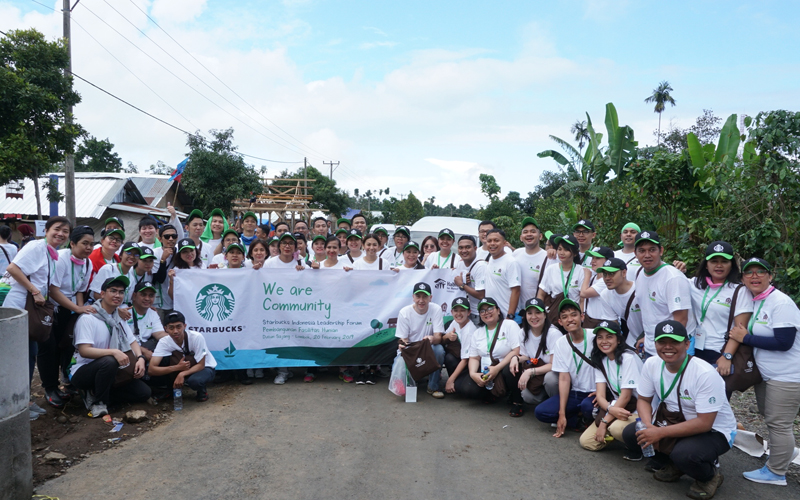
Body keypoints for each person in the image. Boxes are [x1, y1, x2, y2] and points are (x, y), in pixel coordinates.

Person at [623, 320, 735, 500]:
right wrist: (647, 427)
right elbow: (643, 400)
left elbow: (705, 423)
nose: (668, 347)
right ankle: (675, 464)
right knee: (632, 434)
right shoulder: (651, 364)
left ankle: (709, 476)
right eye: (662, 342)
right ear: (655, 344)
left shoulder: (704, 373)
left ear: (687, 344)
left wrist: (659, 433)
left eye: (674, 342)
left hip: (713, 430)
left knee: (686, 454)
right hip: (676, 420)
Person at [728, 258, 800, 486]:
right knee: (772, 420)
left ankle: (776, 472)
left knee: (780, 424)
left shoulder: (781, 303)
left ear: (771, 276)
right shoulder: (757, 301)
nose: (754, 276)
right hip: (768, 375)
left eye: (761, 272)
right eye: (748, 273)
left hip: (787, 376)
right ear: (742, 279)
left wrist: (745, 338)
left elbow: (784, 341)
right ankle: (778, 459)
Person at [4, 216, 69, 420]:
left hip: (30, 310)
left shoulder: (53, 255)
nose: (61, 234)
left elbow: (49, 286)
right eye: (57, 229)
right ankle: (13, 405)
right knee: (17, 357)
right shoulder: (36, 246)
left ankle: (23, 400)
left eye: (65, 231)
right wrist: (34, 290)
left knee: (30, 354)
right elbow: (12, 268)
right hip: (18, 307)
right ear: (46, 229)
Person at [68, 276, 151, 418]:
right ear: (102, 294)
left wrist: (141, 358)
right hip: (83, 370)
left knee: (143, 393)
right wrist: (113, 351)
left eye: (121, 292)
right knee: (109, 360)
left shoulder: (118, 318)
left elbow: (132, 342)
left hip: (112, 370)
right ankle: (98, 403)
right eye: (113, 291)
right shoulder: (88, 318)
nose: (117, 295)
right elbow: (84, 350)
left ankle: (96, 393)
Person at [39, 225, 97, 408]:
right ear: (72, 243)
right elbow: (53, 290)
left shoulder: (87, 262)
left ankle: (67, 383)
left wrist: (80, 312)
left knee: (68, 347)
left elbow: (80, 290)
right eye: (84, 243)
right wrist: (77, 309)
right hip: (53, 308)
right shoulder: (61, 258)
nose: (88, 248)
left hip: (70, 309)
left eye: (91, 244)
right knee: (50, 350)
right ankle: (50, 388)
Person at [534, 299, 596, 436]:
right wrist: (561, 413)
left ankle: (584, 417)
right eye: (564, 317)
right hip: (576, 393)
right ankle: (578, 420)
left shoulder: (595, 337)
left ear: (582, 317)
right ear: (560, 322)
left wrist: (603, 392)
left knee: (589, 407)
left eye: (574, 315)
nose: (570, 319)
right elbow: (563, 378)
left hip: (596, 393)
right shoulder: (561, 343)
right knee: (541, 412)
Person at [688, 242, 753, 370]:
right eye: (714, 261)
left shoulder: (740, 291)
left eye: (724, 261)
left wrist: (727, 356)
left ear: (731, 265)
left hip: (719, 351)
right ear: (706, 264)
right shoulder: (693, 284)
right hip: (694, 349)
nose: (719, 265)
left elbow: (739, 329)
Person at [579, 321, 642, 452]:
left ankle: (636, 446)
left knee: (616, 428)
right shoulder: (600, 359)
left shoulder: (628, 357)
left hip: (636, 409)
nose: (604, 341)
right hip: (617, 408)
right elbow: (600, 395)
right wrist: (610, 409)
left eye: (609, 337)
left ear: (618, 340)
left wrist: (604, 422)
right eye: (600, 337)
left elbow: (626, 396)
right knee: (586, 442)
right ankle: (616, 433)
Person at [634, 231, 695, 358]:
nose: (647, 255)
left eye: (652, 250)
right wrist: (647, 338)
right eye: (642, 250)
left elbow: (681, 320)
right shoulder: (640, 273)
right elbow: (650, 312)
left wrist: (668, 351)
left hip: (674, 348)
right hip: (652, 347)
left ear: (661, 251)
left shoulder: (673, 278)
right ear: (635, 253)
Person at [468, 297, 523, 414]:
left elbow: (516, 350)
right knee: (468, 390)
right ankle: (493, 393)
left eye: (490, 308)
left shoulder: (509, 325)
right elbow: (474, 357)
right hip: (486, 371)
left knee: (512, 368)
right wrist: (473, 374)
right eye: (482, 311)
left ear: (498, 310)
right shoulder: (478, 332)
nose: (486, 312)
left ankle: (517, 401)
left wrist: (497, 369)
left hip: (503, 368)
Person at [263, 232, 305, 385]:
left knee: (292, 338)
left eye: (290, 243)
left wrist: (306, 271)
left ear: (295, 247)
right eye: (284, 243)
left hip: (296, 307)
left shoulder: (301, 262)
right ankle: (282, 371)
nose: (287, 246)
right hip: (275, 308)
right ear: (279, 246)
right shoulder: (269, 263)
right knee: (279, 337)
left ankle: (290, 368)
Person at [148, 311, 217, 403]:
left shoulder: (196, 337)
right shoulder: (164, 342)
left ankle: (202, 390)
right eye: (171, 328)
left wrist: (182, 374)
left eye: (178, 327)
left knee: (195, 381)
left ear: (185, 326)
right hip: (181, 366)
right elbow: (151, 370)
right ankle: (170, 389)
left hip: (204, 367)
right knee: (163, 361)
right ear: (166, 329)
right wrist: (177, 368)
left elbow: (201, 365)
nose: (175, 331)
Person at [395, 282, 446, 398]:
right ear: (413, 297)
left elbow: (439, 337)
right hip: (411, 349)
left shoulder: (436, 309)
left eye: (425, 296)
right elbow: (404, 340)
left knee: (438, 350)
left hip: (427, 348)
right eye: (418, 296)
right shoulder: (404, 312)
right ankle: (413, 380)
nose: (421, 300)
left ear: (430, 298)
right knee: (400, 390)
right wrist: (403, 346)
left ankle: (433, 386)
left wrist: (432, 338)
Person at [510, 298, 559, 407]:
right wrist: (516, 358)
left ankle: (557, 406)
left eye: (538, 312)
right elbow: (525, 356)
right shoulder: (523, 332)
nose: (534, 317)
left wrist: (530, 372)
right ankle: (546, 404)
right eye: (530, 313)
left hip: (552, 374)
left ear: (545, 315)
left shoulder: (554, 333)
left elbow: (554, 365)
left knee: (550, 379)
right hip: (538, 375)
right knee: (527, 396)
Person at [537, 235, 590, 324]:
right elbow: (541, 294)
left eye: (566, 250)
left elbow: (582, 299)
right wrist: (541, 313)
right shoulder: (551, 269)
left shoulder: (581, 271)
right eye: (560, 249)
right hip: (554, 315)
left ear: (575, 253)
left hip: (573, 318)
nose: (562, 253)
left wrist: (580, 318)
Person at [596, 258, 642, 347]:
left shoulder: (639, 290)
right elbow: (613, 325)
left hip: (651, 337)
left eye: (611, 274)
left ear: (624, 273)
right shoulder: (605, 295)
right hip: (631, 340)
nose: (607, 278)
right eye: (605, 274)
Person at [442, 297, 480, 398]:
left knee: (464, 389)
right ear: (451, 312)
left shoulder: (470, 330)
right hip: (460, 359)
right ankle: (455, 382)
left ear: (469, 312)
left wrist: (450, 381)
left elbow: (465, 360)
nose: (458, 314)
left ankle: (454, 382)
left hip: (472, 364)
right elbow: (443, 338)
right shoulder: (455, 322)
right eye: (456, 310)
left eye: (462, 310)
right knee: (448, 357)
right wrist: (448, 336)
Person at [483, 229, 521, 319]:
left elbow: (516, 291)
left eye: (496, 240)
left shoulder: (511, 262)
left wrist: (510, 315)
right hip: (493, 316)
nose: (492, 243)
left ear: (504, 243)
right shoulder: (491, 259)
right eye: (489, 241)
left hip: (507, 317)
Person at [512, 217, 548, 307]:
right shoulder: (516, 254)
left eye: (533, 231)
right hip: (518, 311)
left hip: (538, 311)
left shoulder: (548, 257)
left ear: (540, 236)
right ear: (521, 237)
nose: (529, 234)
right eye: (525, 232)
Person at [579, 246, 615, 328]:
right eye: (592, 258)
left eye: (597, 258)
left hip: (602, 322)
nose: (593, 261)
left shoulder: (606, 281)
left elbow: (584, 293)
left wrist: (587, 276)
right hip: (589, 319)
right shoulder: (594, 277)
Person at [453, 235, 486, 323]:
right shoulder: (460, 264)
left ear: (475, 248)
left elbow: (481, 295)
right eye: (461, 248)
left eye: (468, 247)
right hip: (467, 311)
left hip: (480, 313)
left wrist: (462, 285)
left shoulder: (481, 266)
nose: (464, 251)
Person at [152, 224, 179, 316]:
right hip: (159, 303)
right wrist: (163, 260)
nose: (171, 239)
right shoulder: (155, 253)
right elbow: (159, 279)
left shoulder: (180, 252)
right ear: (160, 239)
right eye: (167, 236)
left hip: (177, 303)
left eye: (174, 236)